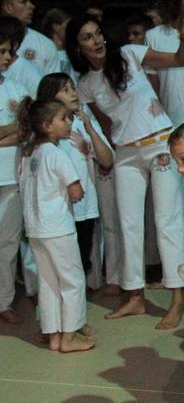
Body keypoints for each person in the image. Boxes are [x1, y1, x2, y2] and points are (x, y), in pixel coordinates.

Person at [66, 14, 184, 329]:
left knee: (167, 220)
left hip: (160, 144)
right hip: (126, 153)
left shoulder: (129, 53)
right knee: (128, 224)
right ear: (77, 47)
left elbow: (179, 60)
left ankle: (177, 298)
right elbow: (106, 124)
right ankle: (135, 295)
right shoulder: (85, 85)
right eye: (87, 37)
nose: (96, 40)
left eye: (97, 33)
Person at [16, 97, 94, 352]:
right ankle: (69, 337)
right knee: (72, 280)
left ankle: (53, 335)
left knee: (48, 282)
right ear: (47, 126)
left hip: (35, 228)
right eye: (63, 118)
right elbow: (76, 191)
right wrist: (75, 192)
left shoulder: (28, 154)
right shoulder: (56, 154)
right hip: (58, 227)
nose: (68, 122)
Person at [37, 73, 114, 274]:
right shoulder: (44, 135)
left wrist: (90, 128)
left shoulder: (82, 121)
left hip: (84, 207)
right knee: (58, 267)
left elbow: (107, 161)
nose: (73, 94)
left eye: (73, 88)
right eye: (65, 90)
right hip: (56, 211)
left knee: (81, 262)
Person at [0, 31, 28, 325]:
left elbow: (26, 130)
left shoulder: (17, 89)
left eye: (9, 52)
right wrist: (12, 129)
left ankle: (4, 301)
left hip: (11, 174)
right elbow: (16, 128)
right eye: (2, 52)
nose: (7, 58)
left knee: (8, 242)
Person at [0, 0, 59, 75]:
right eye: (24, 2)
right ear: (8, 8)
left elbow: (54, 82)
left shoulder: (45, 45)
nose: (32, 6)